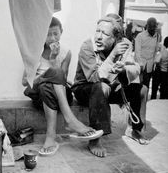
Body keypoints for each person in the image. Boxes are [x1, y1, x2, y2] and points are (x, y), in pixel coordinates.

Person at [23, 17, 103, 156]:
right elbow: (25, 82)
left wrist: (54, 60)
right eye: (48, 34)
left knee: (50, 81)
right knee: (45, 83)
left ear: (61, 32)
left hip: (58, 95)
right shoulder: (34, 52)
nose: (52, 38)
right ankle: (70, 120)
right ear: (42, 34)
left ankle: (51, 137)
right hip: (38, 96)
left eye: (55, 33)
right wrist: (44, 77)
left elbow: (62, 80)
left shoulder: (66, 52)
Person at [71, 17, 149, 158]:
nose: (99, 37)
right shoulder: (87, 46)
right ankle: (95, 139)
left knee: (141, 90)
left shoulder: (122, 44)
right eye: (97, 31)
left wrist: (123, 69)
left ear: (115, 38)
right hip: (84, 89)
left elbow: (136, 67)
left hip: (108, 87)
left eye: (105, 34)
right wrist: (113, 55)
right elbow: (94, 77)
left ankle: (136, 130)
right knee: (102, 86)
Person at [134, 17, 160, 88]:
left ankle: (145, 99)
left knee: (146, 85)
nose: (152, 29)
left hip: (150, 65)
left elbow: (155, 51)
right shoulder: (140, 36)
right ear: (147, 26)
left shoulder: (157, 36)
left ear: (156, 26)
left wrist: (154, 63)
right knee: (138, 85)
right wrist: (140, 64)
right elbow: (137, 51)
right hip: (140, 65)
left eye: (154, 27)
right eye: (150, 27)